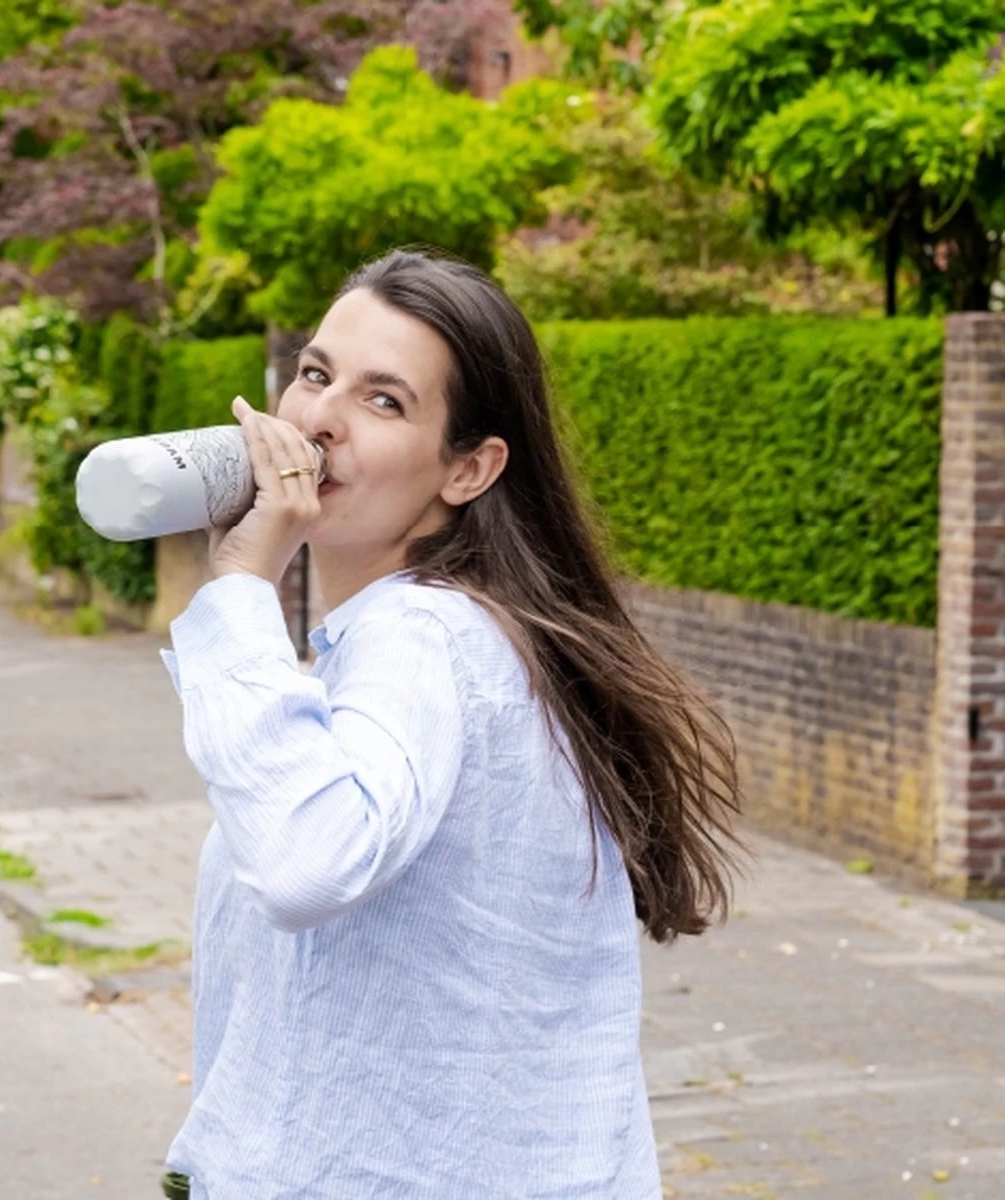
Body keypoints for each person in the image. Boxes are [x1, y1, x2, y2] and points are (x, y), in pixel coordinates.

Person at [159, 249, 743, 1199]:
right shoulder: (447, 638)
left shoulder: (424, 636)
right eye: (316, 374)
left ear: (470, 469)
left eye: (383, 401)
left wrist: (238, 590)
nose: (319, 420)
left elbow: (306, 857)